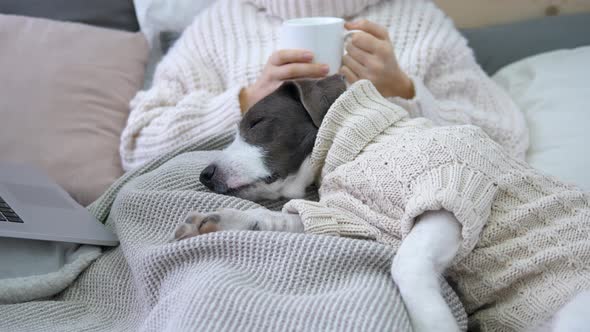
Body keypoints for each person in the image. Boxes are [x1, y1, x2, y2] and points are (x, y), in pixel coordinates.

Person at [119, 0, 528, 171]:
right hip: (229, 229)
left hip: (381, 224)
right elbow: (137, 148)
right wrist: (248, 102)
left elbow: (503, 139)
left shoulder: (416, 17)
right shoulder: (221, 23)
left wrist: (403, 92)